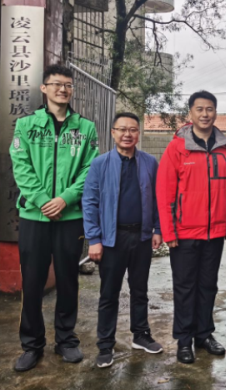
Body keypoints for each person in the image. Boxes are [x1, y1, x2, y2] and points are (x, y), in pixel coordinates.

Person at [10, 64, 99, 372]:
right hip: (34, 217)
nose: (63, 89)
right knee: (32, 282)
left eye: (68, 85)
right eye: (57, 84)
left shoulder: (85, 128)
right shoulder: (26, 126)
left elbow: (89, 168)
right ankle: (32, 344)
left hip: (69, 217)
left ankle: (66, 340)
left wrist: (65, 198)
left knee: (68, 280)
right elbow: (21, 165)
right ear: (44, 88)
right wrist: (42, 200)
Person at [156, 91, 226, 364]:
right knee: (184, 288)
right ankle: (184, 339)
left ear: (216, 113)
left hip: (215, 233)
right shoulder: (177, 147)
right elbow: (164, 191)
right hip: (184, 234)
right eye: (199, 109)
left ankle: (203, 335)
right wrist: (169, 232)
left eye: (210, 109)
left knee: (208, 286)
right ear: (190, 113)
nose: (205, 114)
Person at [82, 112, 163, 368]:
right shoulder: (100, 164)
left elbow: (158, 198)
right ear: (113, 133)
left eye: (133, 130)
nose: (127, 134)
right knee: (109, 293)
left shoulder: (149, 162)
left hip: (141, 237)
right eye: (122, 129)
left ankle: (141, 335)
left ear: (138, 133)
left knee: (140, 290)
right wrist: (94, 239)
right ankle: (105, 344)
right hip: (111, 239)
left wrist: (158, 229)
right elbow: (90, 202)